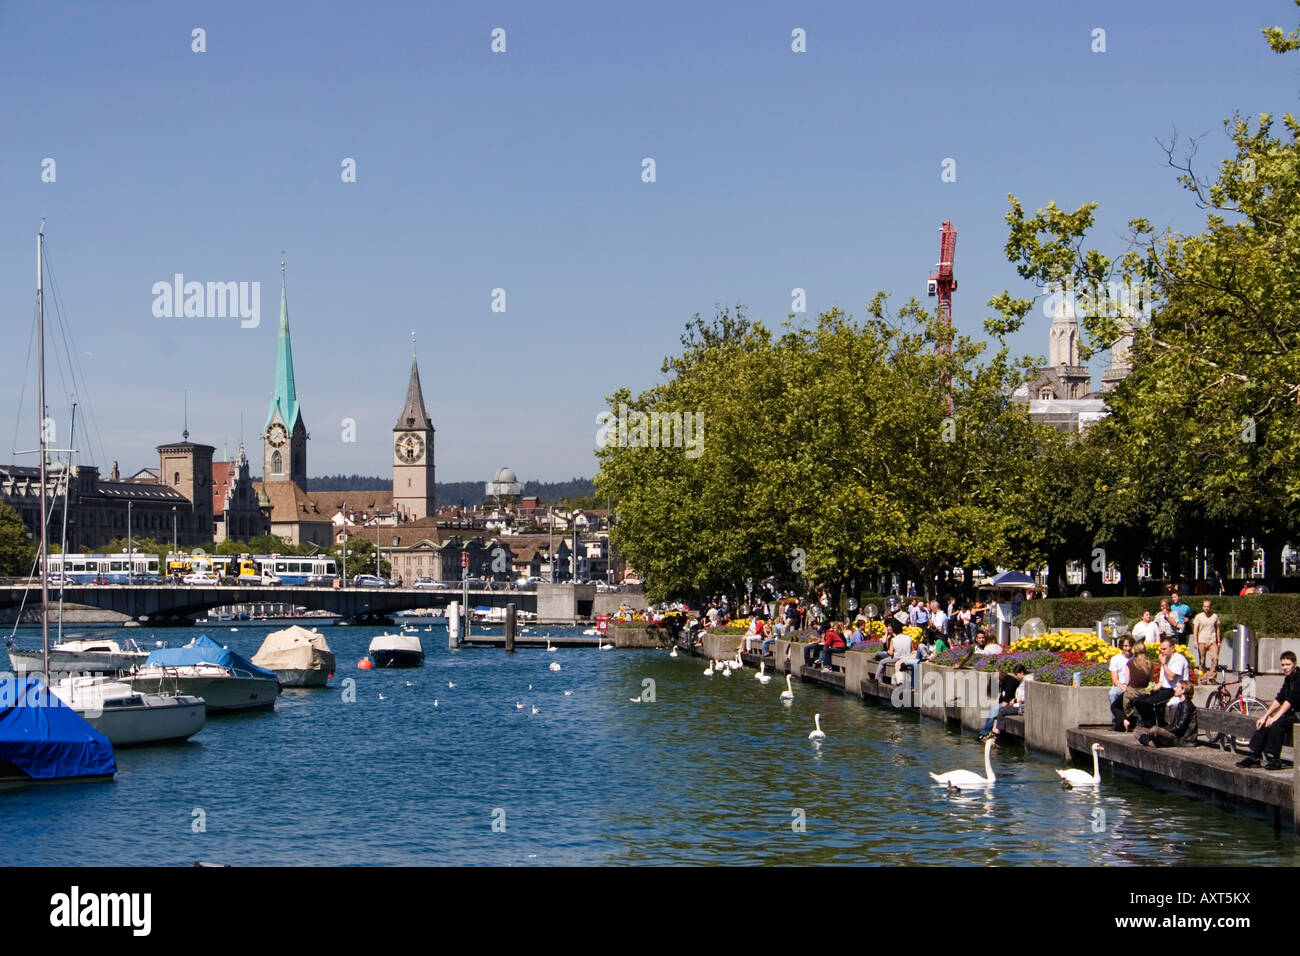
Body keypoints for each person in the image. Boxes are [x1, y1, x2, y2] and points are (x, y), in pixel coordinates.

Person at [1237, 650, 1298, 770]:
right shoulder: (1288, 679)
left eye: (1288, 664)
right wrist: (1265, 716)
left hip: (1298, 713)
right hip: (1292, 712)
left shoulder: (1299, 678)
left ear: (1295, 664)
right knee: (1265, 723)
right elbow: (1280, 698)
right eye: (1283, 665)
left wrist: (1275, 717)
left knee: (1277, 724)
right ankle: (1254, 756)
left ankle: (1275, 759)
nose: (1285, 668)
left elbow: (1290, 701)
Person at [1134, 637, 1190, 729]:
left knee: (1151, 703)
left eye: (1164, 649)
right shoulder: (1165, 659)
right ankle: (1148, 724)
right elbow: (1162, 681)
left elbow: (1171, 677)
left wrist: (1163, 664)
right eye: (1161, 649)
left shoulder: (1178, 659)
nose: (1162, 652)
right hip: (1163, 689)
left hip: (1174, 690)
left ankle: (1157, 726)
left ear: (1172, 648)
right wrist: (1152, 689)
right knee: (1139, 700)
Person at [1136, 679, 1197, 748]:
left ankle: (1152, 742)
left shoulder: (1187, 706)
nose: (1174, 689)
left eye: (1177, 687)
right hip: (1175, 734)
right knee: (1138, 731)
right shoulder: (1181, 704)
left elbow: (1179, 728)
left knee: (1154, 730)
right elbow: (1174, 725)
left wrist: (1163, 729)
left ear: (1183, 690)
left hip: (1182, 739)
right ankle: (1152, 742)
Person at [980, 664, 1028, 740]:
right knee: (994, 709)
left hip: (1014, 704)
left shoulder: (1010, 681)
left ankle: (985, 733)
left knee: (995, 709)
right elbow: (1002, 698)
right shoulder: (1002, 683)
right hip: (1013, 703)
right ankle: (986, 732)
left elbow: (1005, 701)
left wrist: (1011, 701)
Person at [1108, 637, 1135, 731]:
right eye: (1125, 646)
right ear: (1121, 646)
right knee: (1113, 694)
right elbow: (1114, 679)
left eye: (1130, 645)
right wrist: (1123, 687)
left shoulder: (1135, 658)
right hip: (1120, 685)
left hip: (1133, 686)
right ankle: (1116, 721)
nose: (1128, 648)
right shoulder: (1115, 659)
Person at [1190, 600, 1221, 674]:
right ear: (1203, 607)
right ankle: (1203, 677)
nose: (1206, 608)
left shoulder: (1214, 616)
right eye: (1205, 606)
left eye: (1208, 606)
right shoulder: (1199, 616)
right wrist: (1195, 641)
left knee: (1215, 658)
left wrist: (1219, 641)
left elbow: (1217, 629)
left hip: (1212, 640)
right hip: (1202, 640)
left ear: (1210, 607)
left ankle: (1212, 676)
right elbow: (1195, 629)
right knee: (1202, 660)